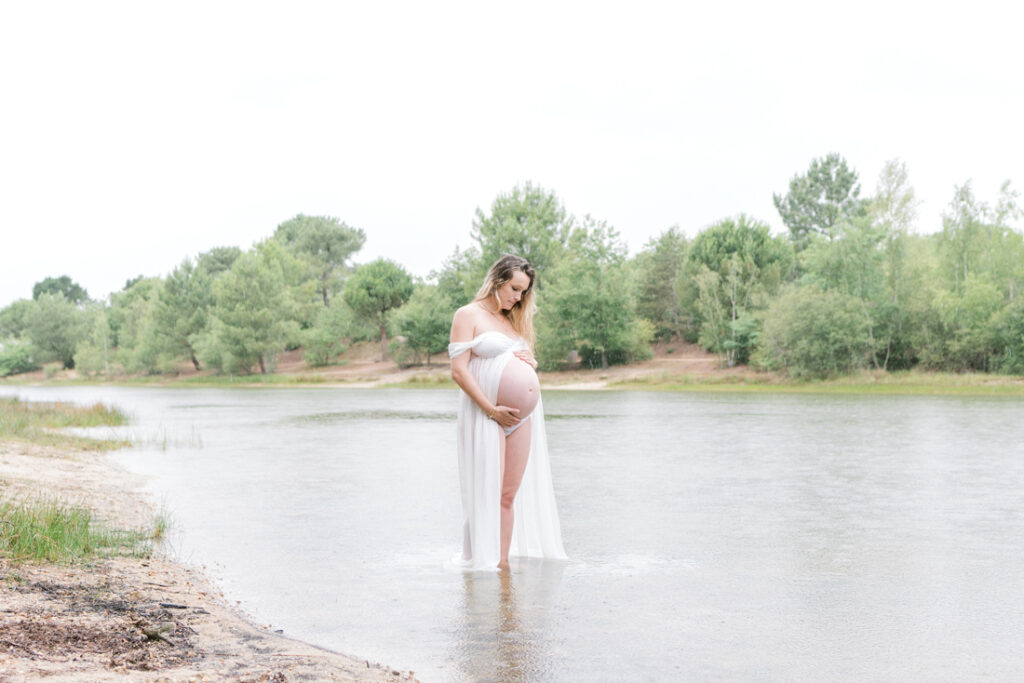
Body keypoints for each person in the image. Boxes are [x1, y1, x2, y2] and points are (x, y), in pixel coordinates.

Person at [448, 254, 567, 570]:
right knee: (485, 491)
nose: (518, 297)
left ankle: (502, 566)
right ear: (497, 279)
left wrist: (529, 363)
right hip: (488, 413)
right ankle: (481, 566)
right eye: (515, 288)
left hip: (521, 418)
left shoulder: (513, 321)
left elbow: (516, 359)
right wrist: (490, 410)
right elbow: (459, 371)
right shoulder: (468, 314)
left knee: (507, 494)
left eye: (524, 292)